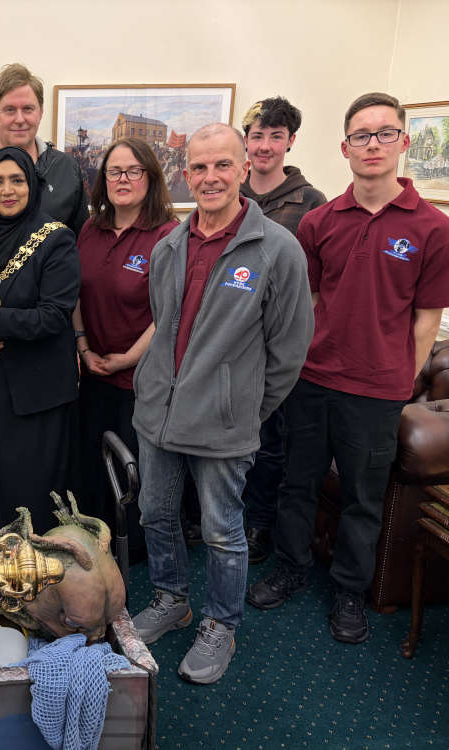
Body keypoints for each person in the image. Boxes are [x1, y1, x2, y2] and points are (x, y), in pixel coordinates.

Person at [248, 93, 449, 644]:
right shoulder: (319, 222)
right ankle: (291, 567)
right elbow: (308, 303)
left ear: (404, 142)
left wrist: (399, 383)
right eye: (362, 135)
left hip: (378, 391)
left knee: (363, 498)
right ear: (345, 148)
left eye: (385, 133)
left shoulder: (432, 228)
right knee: (297, 483)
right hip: (312, 380)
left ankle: (349, 591)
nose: (373, 145)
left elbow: (426, 320)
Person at [130, 124, 313, 684]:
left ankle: (220, 625)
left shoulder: (276, 249)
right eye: (200, 167)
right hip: (158, 416)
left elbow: (289, 349)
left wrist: (243, 407)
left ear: (243, 170)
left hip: (224, 425)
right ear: (187, 174)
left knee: (221, 531)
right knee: (156, 514)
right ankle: (171, 599)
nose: (211, 177)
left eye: (222, 165)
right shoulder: (168, 246)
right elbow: (164, 326)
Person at [0, 146, 80, 543]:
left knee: (33, 489)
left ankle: (37, 570)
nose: (7, 190)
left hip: (37, 391)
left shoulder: (57, 238)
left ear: (33, 185)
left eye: (17, 180)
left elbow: (55, 315)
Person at [71, 137, 177, 553]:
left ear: (150, 177)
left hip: (141, 379)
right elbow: (74, 294)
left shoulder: (168, 235)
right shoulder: (89, 229)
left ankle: (131, 555)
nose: (123, 179)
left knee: (134, 470)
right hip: (92, 372)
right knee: (92, 465)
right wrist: (84, 348)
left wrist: (129, 358)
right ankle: (94, 544)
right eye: (114, 171)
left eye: (134, 171)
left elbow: (170, 310)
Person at [238, 97, 327, 564]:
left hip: (276, 343)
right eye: (257, 136)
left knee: (268, 440)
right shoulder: (230, 192)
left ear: (290, 142)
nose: (265, 146)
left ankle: (258, 524)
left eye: (276, 137)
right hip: (230, 340)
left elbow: (316, 283)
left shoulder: (310, 204)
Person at [0, 63, 88, 241]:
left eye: (28, 109)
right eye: (10, 110)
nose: (19, 119)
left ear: (40, 114)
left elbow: (81, 242)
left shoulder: (66, 169)